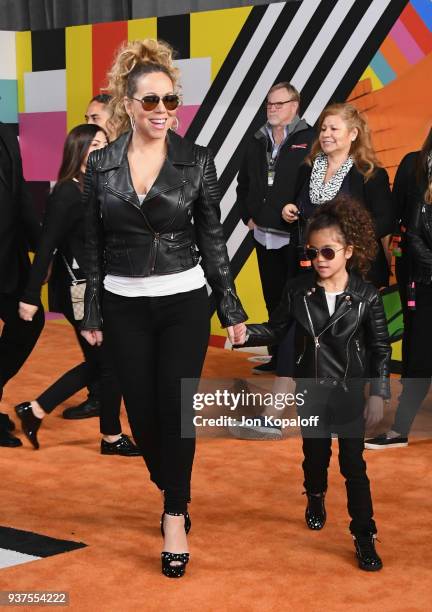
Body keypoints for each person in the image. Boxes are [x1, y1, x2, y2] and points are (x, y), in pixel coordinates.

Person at [80, 39, 247, 578]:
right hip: (124, 303)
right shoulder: (101, 165)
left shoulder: (197, 160)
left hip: (183, 302)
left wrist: (231, 307)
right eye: (150, 102)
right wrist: (91, 313)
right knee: (142, 416)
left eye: (170, 101)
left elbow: (214, 239)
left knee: (176, 413)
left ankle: (175, 511)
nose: (161, 112)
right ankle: (171, 482)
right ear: (128, 104)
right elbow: (90, 245)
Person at [234, 195, 391, 571]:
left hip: (351, 391)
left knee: (354, 464)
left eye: (327, 252)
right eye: (311, 253)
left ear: (349, 251)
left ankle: (364, 535)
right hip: (311, 389)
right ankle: (315, 495)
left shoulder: (366, 297)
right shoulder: (297, 290)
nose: (319, 260)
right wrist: (244, 333)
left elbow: (380, 349)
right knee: (315, 455)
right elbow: (275, 329)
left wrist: (379, 394)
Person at [15, 124, 140, 457]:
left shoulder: (100, 186)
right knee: (110, 365)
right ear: (78, 149)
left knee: (104, 364)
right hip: (83, 294)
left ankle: (37, 409)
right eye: (93, 144)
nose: (100, 149)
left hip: (103, 288)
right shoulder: (68, 192)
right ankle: (110, 437)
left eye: (104, 143)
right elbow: (47, 246)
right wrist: (29, 296)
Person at [235, 82, 315, 374]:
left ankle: (294, 361)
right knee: (272, 299)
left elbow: (312, 186)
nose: (272, 109)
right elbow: (242, 184)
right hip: (263, 235)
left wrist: (298, 212)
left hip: (293, 238)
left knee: (292, 301)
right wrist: (248, 217)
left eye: (278, 104)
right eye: (269, 104)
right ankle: (277, 356)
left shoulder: (310, 138)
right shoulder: (257, 140)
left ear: (294, 106)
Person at [366, 127, 432, 449]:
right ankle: (401, 427)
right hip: (419, 276)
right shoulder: (413, 165)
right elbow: (398, 221)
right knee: (417, 348)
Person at [283, 102, 394, 289]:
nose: (326, 134)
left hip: (356, 270)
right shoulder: (307, 168)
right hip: (309, 269)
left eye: (334, 129)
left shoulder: (370, 174)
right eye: (324, 129)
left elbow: (386, 220)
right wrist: (289, 210)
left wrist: (347, 239)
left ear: (353, 134)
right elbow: (298, 205)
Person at [63, 94, 116, 421]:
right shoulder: (74, 185)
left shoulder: (119, 165)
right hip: (85, 278)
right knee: (102, 351)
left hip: (115, 274)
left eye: (95, 118)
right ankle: (100, 401)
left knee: (110, 353)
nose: (87, 124)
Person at [0, 122, 44, 448]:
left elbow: (21, 194)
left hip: (9, 260)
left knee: (29, 322)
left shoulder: (4, 132)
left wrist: (40, 250)